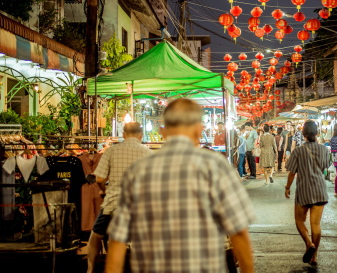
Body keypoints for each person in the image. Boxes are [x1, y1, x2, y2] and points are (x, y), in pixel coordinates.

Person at [105, 99, 255, 273]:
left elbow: (118, 239)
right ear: (199, 130)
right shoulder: (217, 166)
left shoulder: (138, 171)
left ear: (163, 131)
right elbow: (238, 232)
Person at [87, 122, 153, 273]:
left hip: (113, 203)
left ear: (123, 134)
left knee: (96, 234)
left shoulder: (112, 151)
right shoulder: (149, 154)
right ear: (141, 135)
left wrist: (104, 191)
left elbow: (99, 179)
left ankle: (90, 269)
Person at [284, 120, 329, 266]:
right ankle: (314, 256)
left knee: (299, 221)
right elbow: (325, 167)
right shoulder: (324, 149)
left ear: (303, 134)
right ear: (317, 134)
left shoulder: (298, 151)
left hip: (304, 190)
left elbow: (292, 172)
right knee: (315, 224)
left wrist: (287, 187)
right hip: (320, 190)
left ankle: (309, 244)